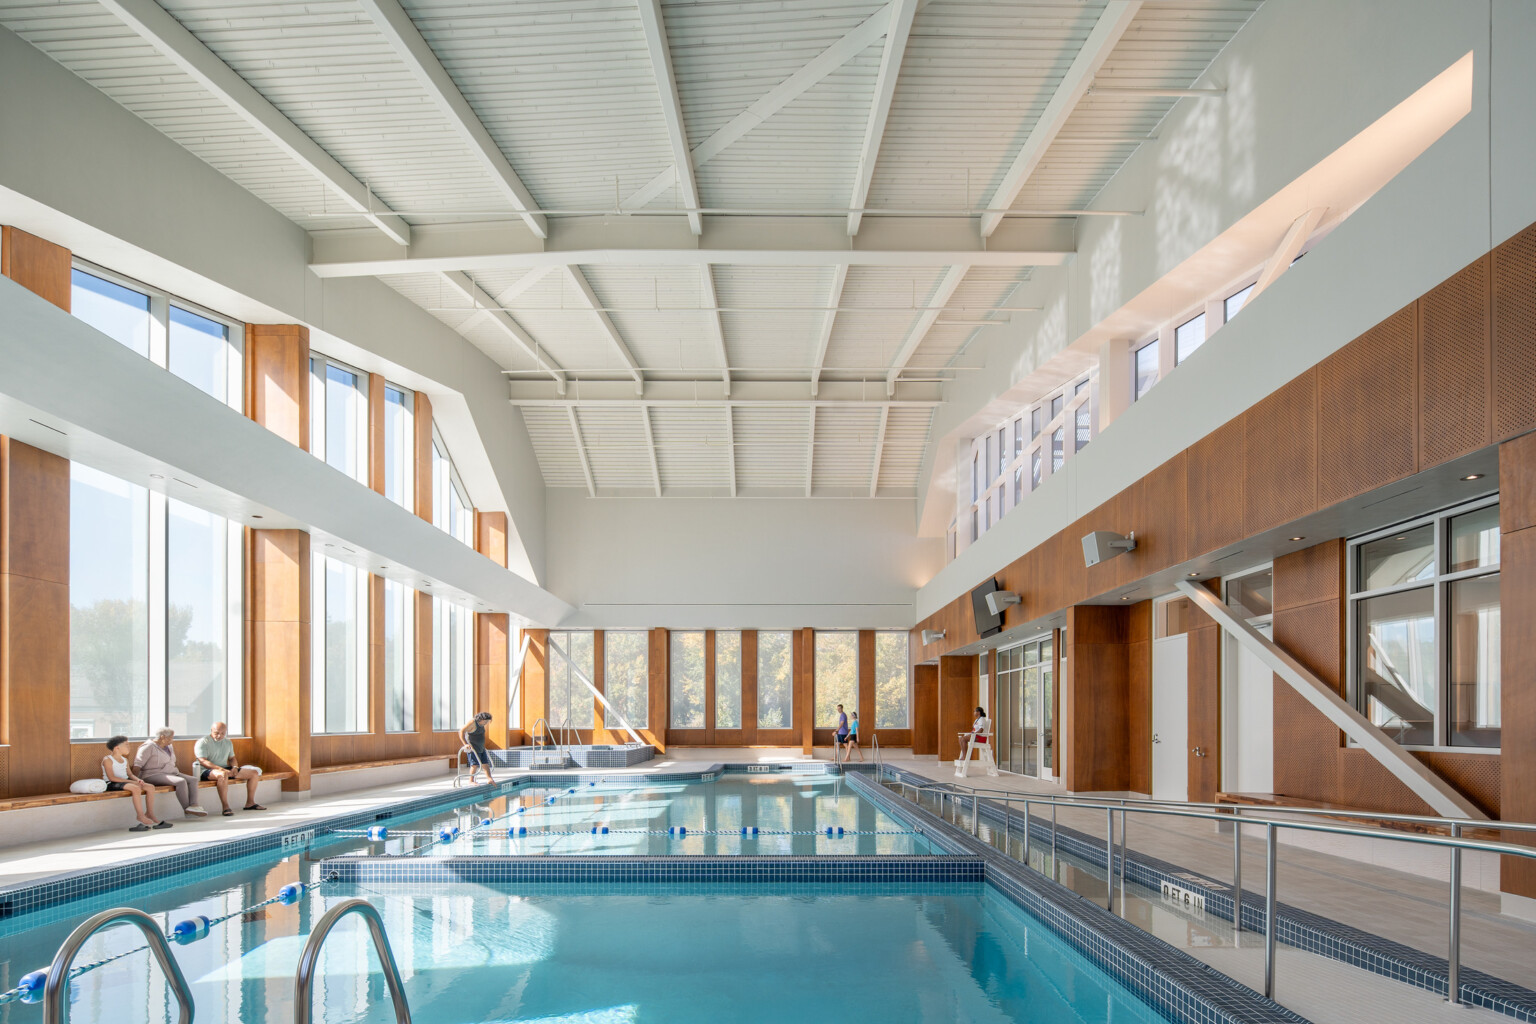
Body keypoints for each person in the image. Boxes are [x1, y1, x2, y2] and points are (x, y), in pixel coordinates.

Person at [194, 721, 264, 816]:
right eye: (216, 733)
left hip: (225, 768)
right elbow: (203, 761)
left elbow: (232, 758)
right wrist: (222, 770)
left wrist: (235, 767)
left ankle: (250, 803)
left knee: (254, 773)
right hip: (206, 771)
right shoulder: (202, 742)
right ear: (211, 730)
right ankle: (225, 807)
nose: (219, 736)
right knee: (223, 775)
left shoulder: (227, 742)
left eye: (223, 733)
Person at [102, 735, 171, 832]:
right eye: (126, 745)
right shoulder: (107, 759)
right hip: (111, 783)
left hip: (126, 782)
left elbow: (130, 774)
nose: (129, 747)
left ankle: (149, 813)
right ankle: (140, 815)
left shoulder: (124, 760)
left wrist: (137, 780)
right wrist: (132, 782)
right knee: (135, 788)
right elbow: (112, 777)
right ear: (117, 748)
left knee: (150, 787)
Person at [135, 728, 208, 818]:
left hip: (171, 772)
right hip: (152, 774)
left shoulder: (169, 746)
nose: (172, 740)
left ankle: (194, 806)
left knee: (193, 780)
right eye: (171, 738)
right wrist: (135, 781)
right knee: (180, 781)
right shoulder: (148, 747)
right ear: (162, 737)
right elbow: (137, 765)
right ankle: (187, 809)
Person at [459, 711, 495, 784]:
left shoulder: (482, 724)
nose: (487, 723)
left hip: (481, 747)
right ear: (481, 719)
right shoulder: (472, 722)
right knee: (474, 764)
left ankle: (489, 779)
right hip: (473, 748)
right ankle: (471, 780)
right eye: (486, 721)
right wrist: (465, 744)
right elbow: (461, 731)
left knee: (485, 763)